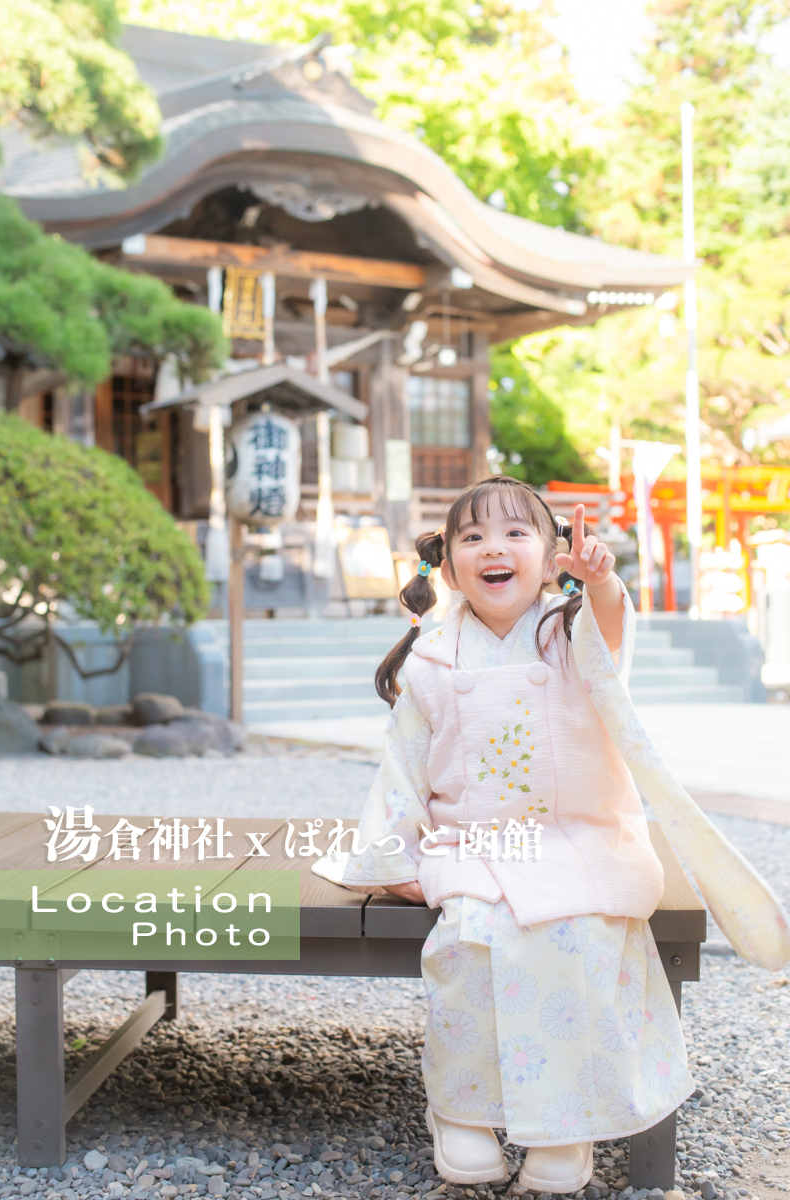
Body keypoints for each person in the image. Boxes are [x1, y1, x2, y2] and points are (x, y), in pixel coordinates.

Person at [333, 474, 789, 1191]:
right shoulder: (431, 660)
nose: (494, 547)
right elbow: (402, 768)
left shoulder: (564, 632)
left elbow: (608, 631)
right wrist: (396, 855)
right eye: (473, 536)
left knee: (580, 937)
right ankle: (462, 1112)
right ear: (448, 567)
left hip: (579, 838)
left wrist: (601, 586)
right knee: (467, 941)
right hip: (478, 845)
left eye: (517, 533)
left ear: (552, 560)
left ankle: (566, 1124)